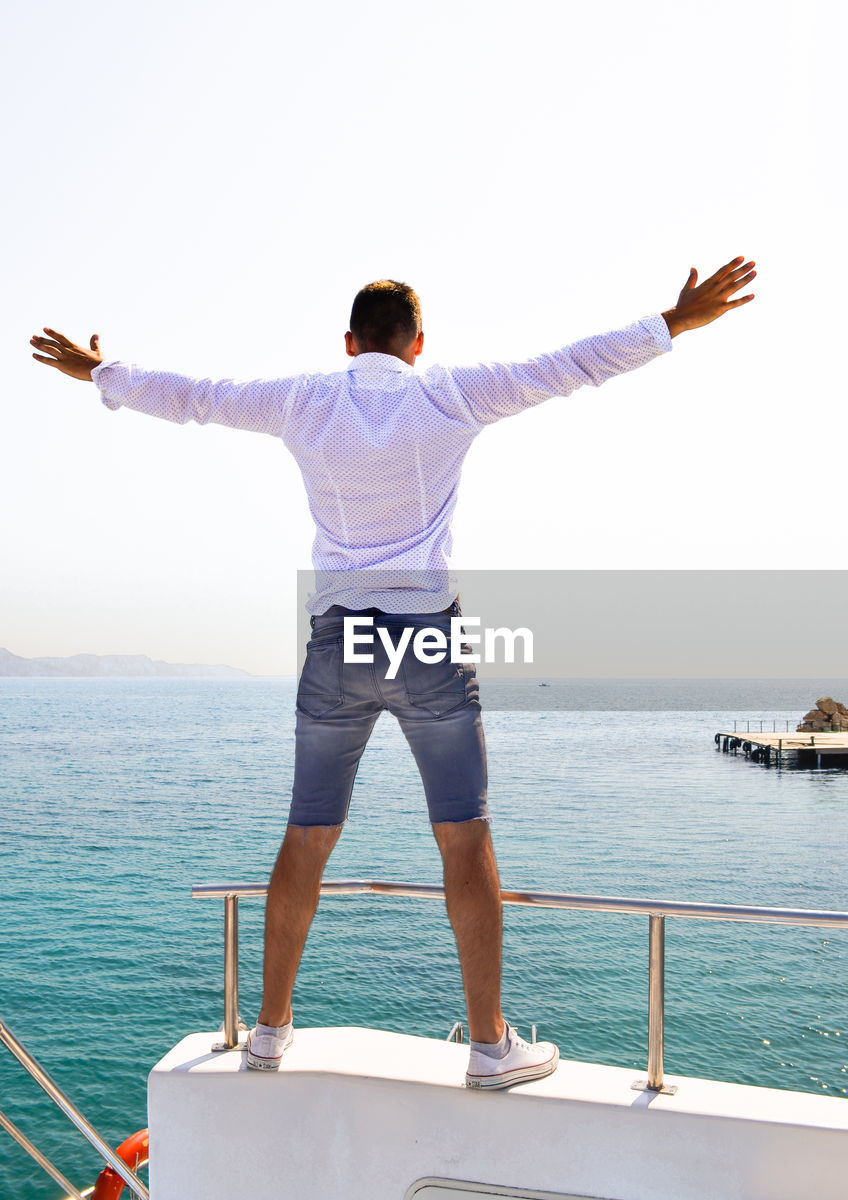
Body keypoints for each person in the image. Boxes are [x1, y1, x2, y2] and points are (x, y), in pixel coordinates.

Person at [30, 256, 756, 1087]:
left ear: (350, 343)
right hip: (427, 642)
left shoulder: (304, 400)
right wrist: (672, 321)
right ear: (418, 344)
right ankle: (489, 1047)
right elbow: (567, 367)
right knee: (464, 836)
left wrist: (104, 374)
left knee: (307, 833)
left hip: (338, 643)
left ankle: (268, 1033)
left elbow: (198, 397)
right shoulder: (447, 393)